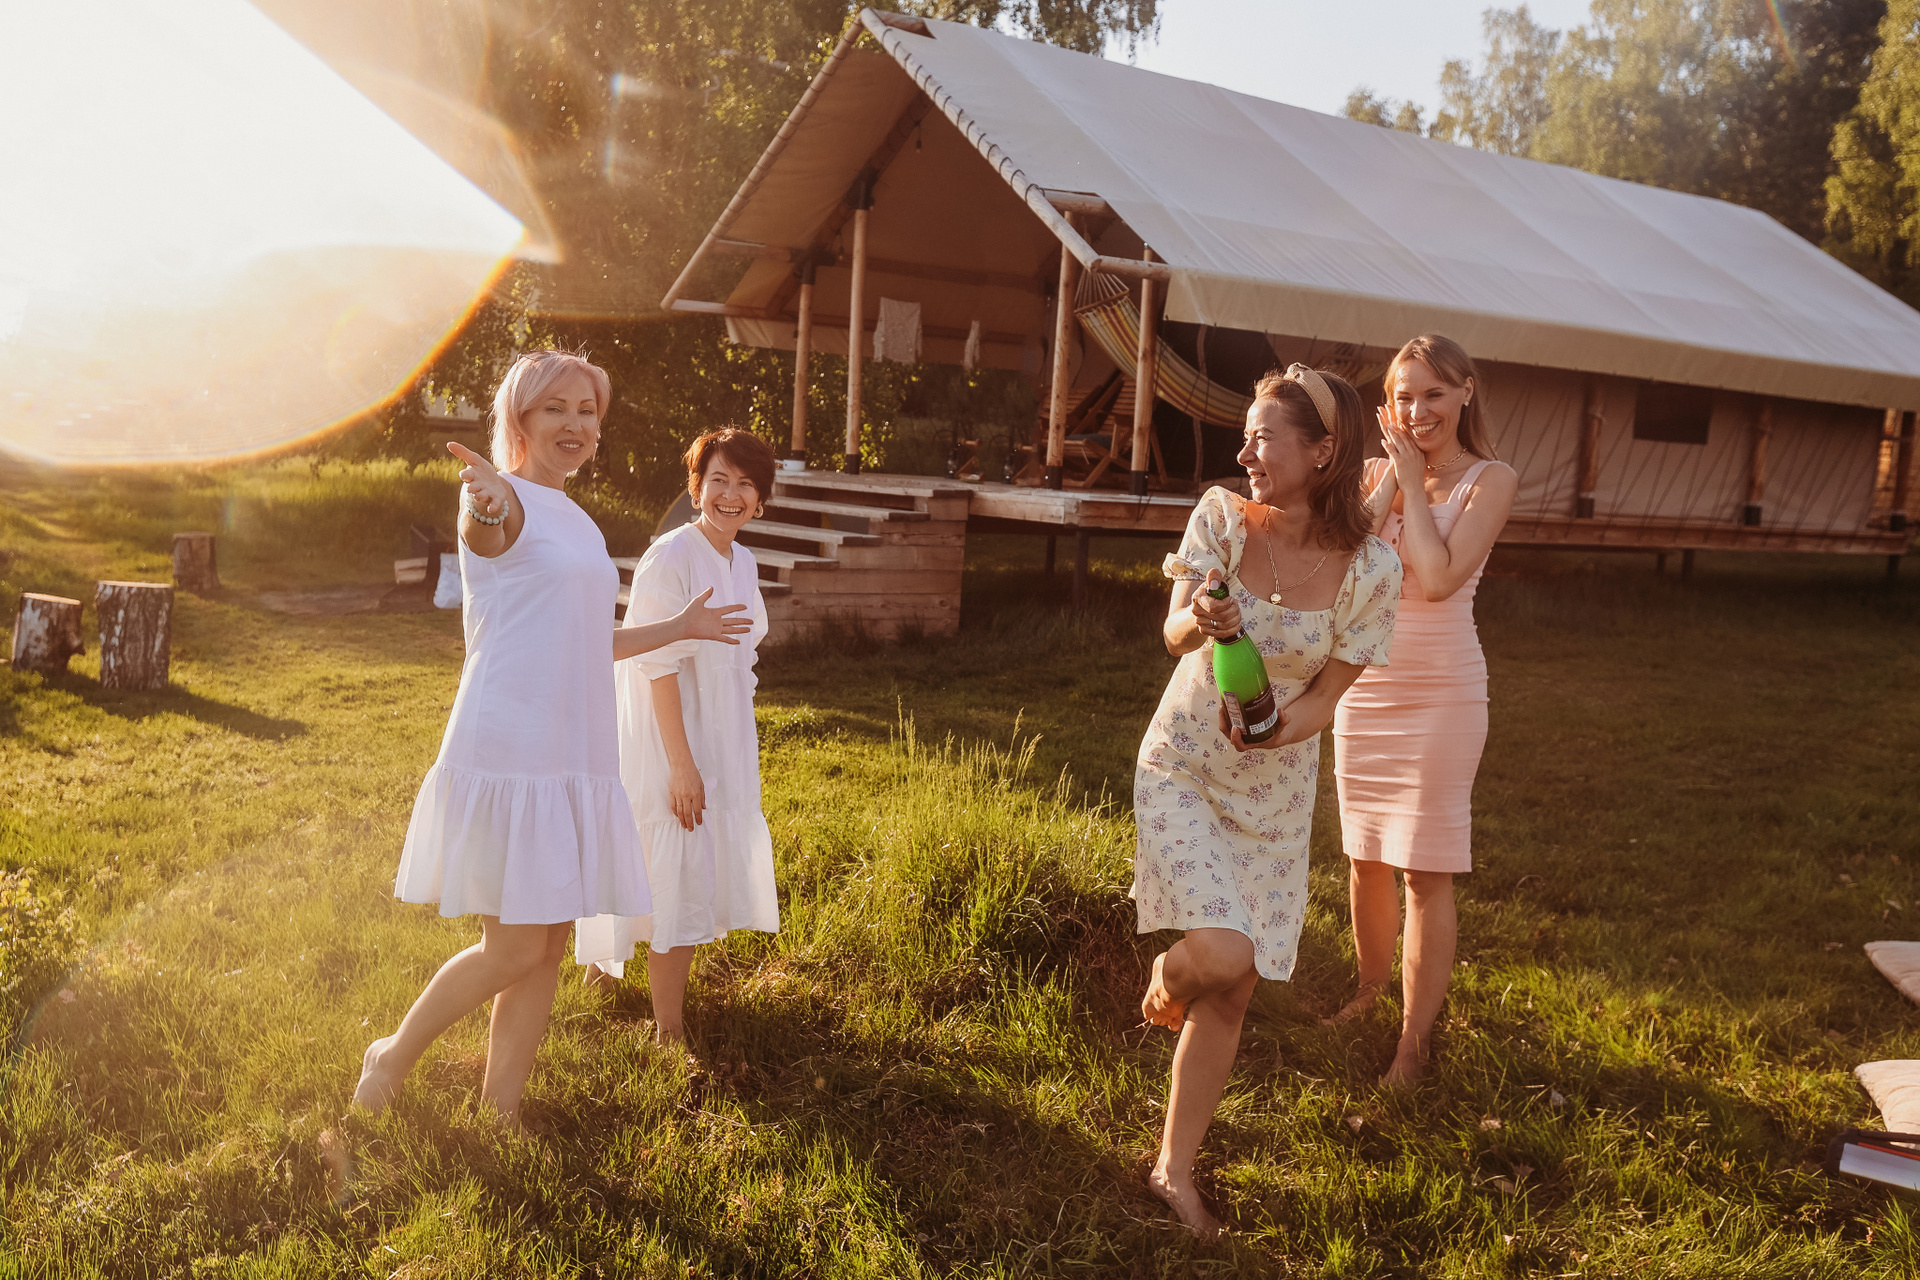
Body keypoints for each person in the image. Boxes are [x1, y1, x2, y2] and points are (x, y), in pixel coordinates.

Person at [352, 351, 750, 1121]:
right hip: (513, 745)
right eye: (555, 409)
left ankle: (499, 1111)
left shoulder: (579, 521)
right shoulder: (500, 499)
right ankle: (391, 1055)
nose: (575, 424)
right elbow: (487, 533)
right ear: (520, 419)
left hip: (574, 750)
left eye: (587, 411)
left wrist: (681, 625)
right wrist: (487, 504)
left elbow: (587, 639)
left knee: (546, 946)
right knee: (511, 947)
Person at [1134, 365, 1401, 1237]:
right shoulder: (1221, 516)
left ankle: (1173, 1171)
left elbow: (1326, 698)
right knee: (1219, 953)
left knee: (1235, 988)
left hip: (1276, 791)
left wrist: (1275, 733)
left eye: (1263, 438)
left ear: (1323, 453)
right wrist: (1205, 620)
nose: (1244, 453)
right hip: (1184, 764)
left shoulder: (1372, 567)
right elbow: (1173, 631)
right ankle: (1168, 976)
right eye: (1245, 437)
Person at [1327, 333, 1517, 1087]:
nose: (1418, 410)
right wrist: (1392, 483)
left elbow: (1436, 581)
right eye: (1404, 397)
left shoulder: (1490, 480)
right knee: (1365, 857)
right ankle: (1370, 991)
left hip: (1441, 691)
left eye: (1434, 393)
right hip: (1365, 686)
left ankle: (1413, 1041)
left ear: (1466, 392)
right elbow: (1340, 566)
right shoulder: (1373, 474)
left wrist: (1411, 478)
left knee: (1424, 871)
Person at [576, 427, 780, 1046]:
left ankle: (600, 966)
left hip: (719, 733)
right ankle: (668, 1030)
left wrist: (728, 744)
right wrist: (682, 765)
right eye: (718, 480)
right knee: (674, 864)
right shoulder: (671, 557)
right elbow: (654, 666)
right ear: (696, 488)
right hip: (669, 735)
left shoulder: (743, 562)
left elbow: (739, 658)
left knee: (668, 859)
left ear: (760, 500)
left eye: (745, 484)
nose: (730, 494)